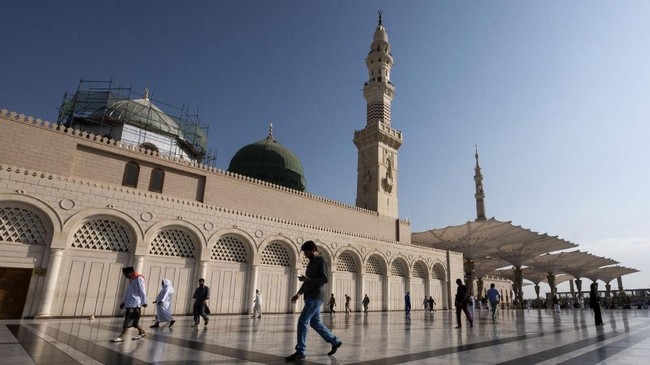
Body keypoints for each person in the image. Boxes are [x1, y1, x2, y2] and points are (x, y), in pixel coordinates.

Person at [286, 241, 342, 361]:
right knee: (315, 323)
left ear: (313, 250)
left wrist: (309, 279)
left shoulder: (321, 261)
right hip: (309, 295)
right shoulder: (311, 263)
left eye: (306, 252)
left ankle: (300, 351)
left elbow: (325, 279)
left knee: (303, 321)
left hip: (316, 296)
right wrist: (299, 294)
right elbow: (308, 281)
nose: (305, 255)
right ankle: (335, 341)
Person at [113, 267, 148, 342]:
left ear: (131, 272)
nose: (125, 276)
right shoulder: (132, 280)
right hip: (130, 303)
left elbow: (143, 290)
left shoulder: (139, 278)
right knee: (134, 321)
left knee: (128, 319)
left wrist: (144, 301)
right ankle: (141, 332)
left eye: (126, 274)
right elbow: (128, 292)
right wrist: (124, 302)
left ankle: (122, 336)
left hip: (135, 303)